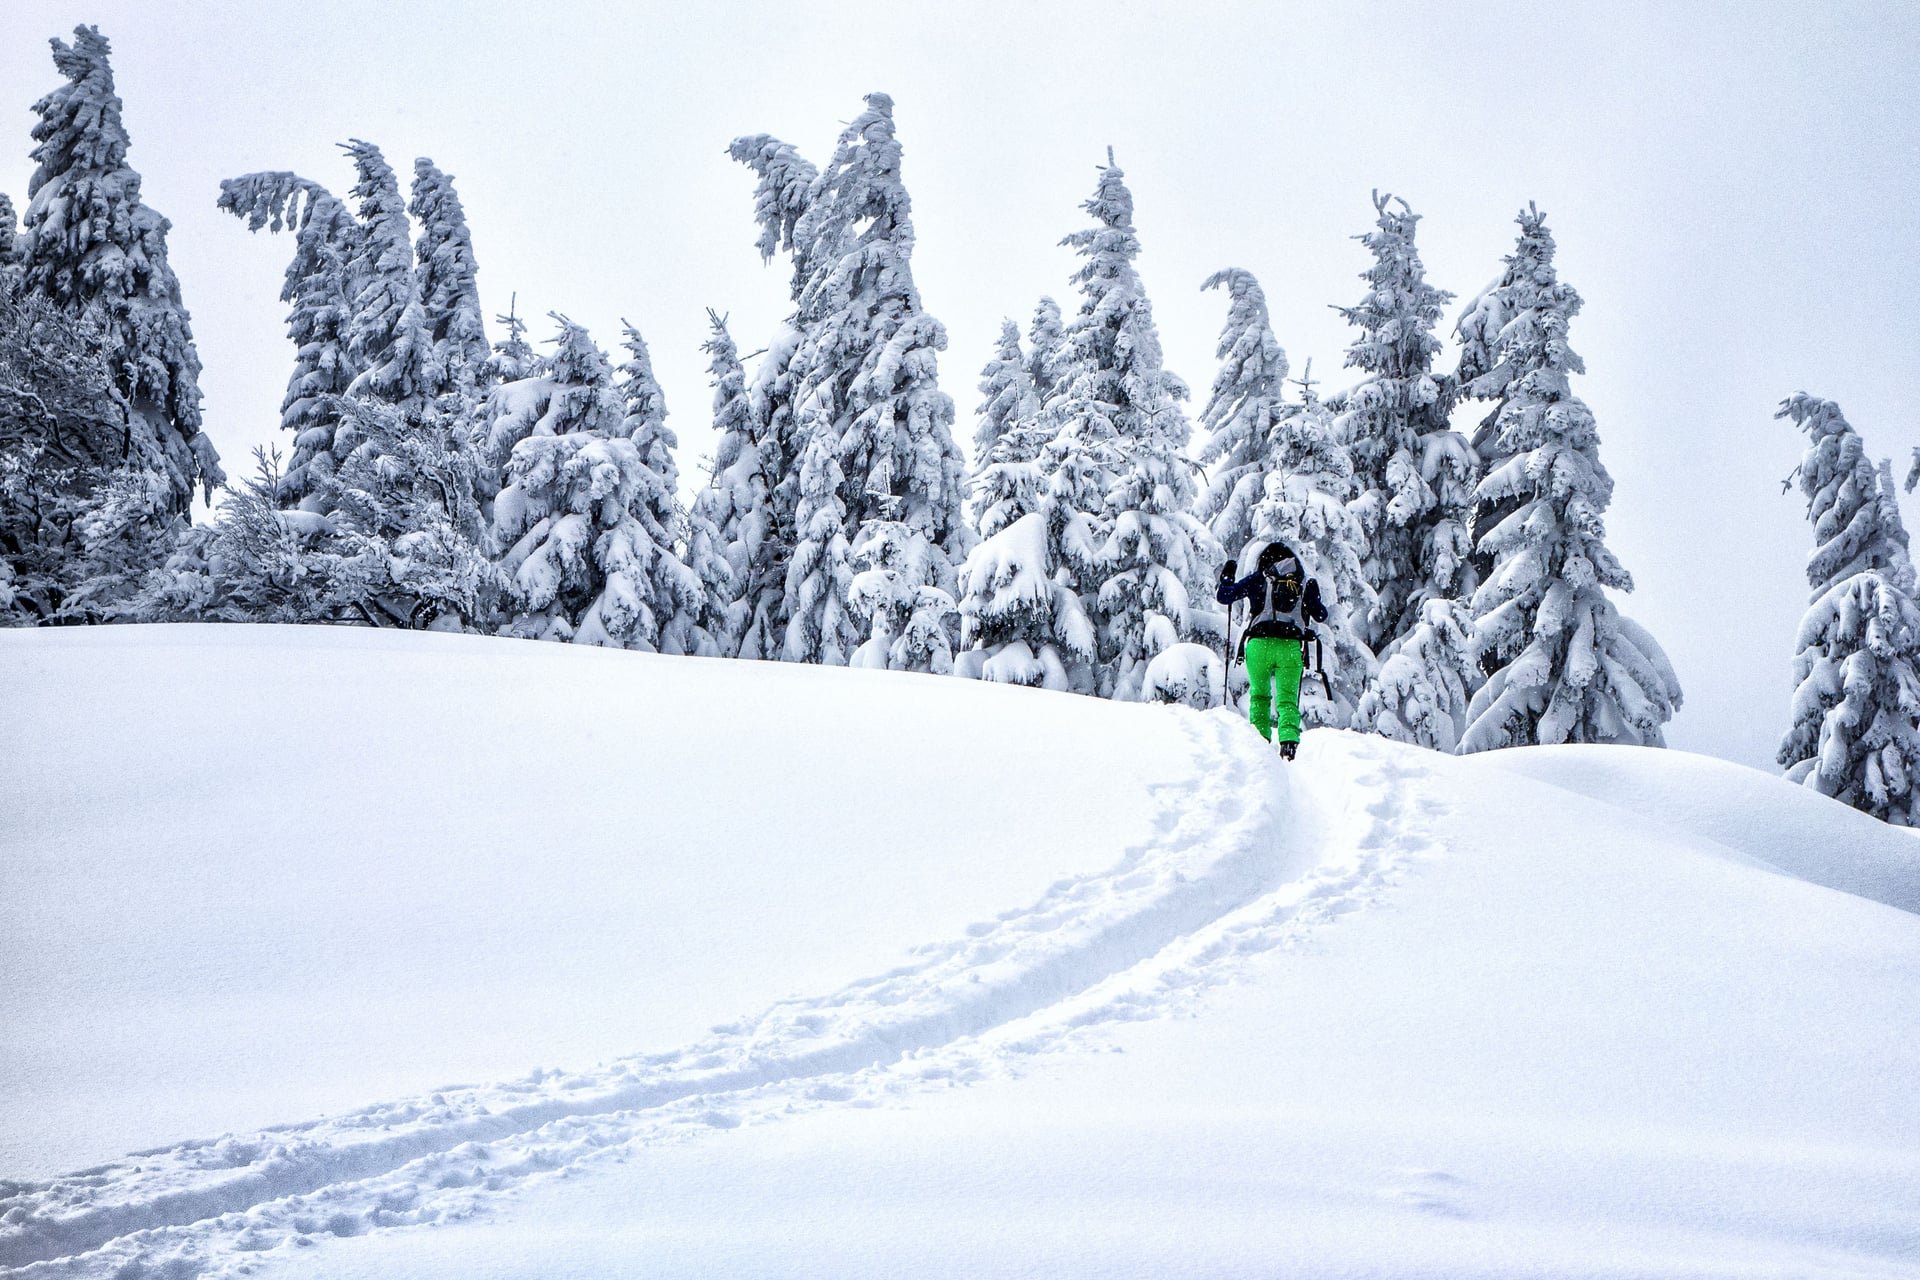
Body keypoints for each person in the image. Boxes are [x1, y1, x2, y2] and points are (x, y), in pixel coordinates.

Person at [1216, 540, 1328, 760]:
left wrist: (1228, 576)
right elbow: (1321, 615)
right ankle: (1288, 744)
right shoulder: (1305, 583)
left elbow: (1225, 596)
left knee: (1260, 696)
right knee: (1287, 699)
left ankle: (1259, 743)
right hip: (1290, 647)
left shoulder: (1260, 579)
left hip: (1259, 645)